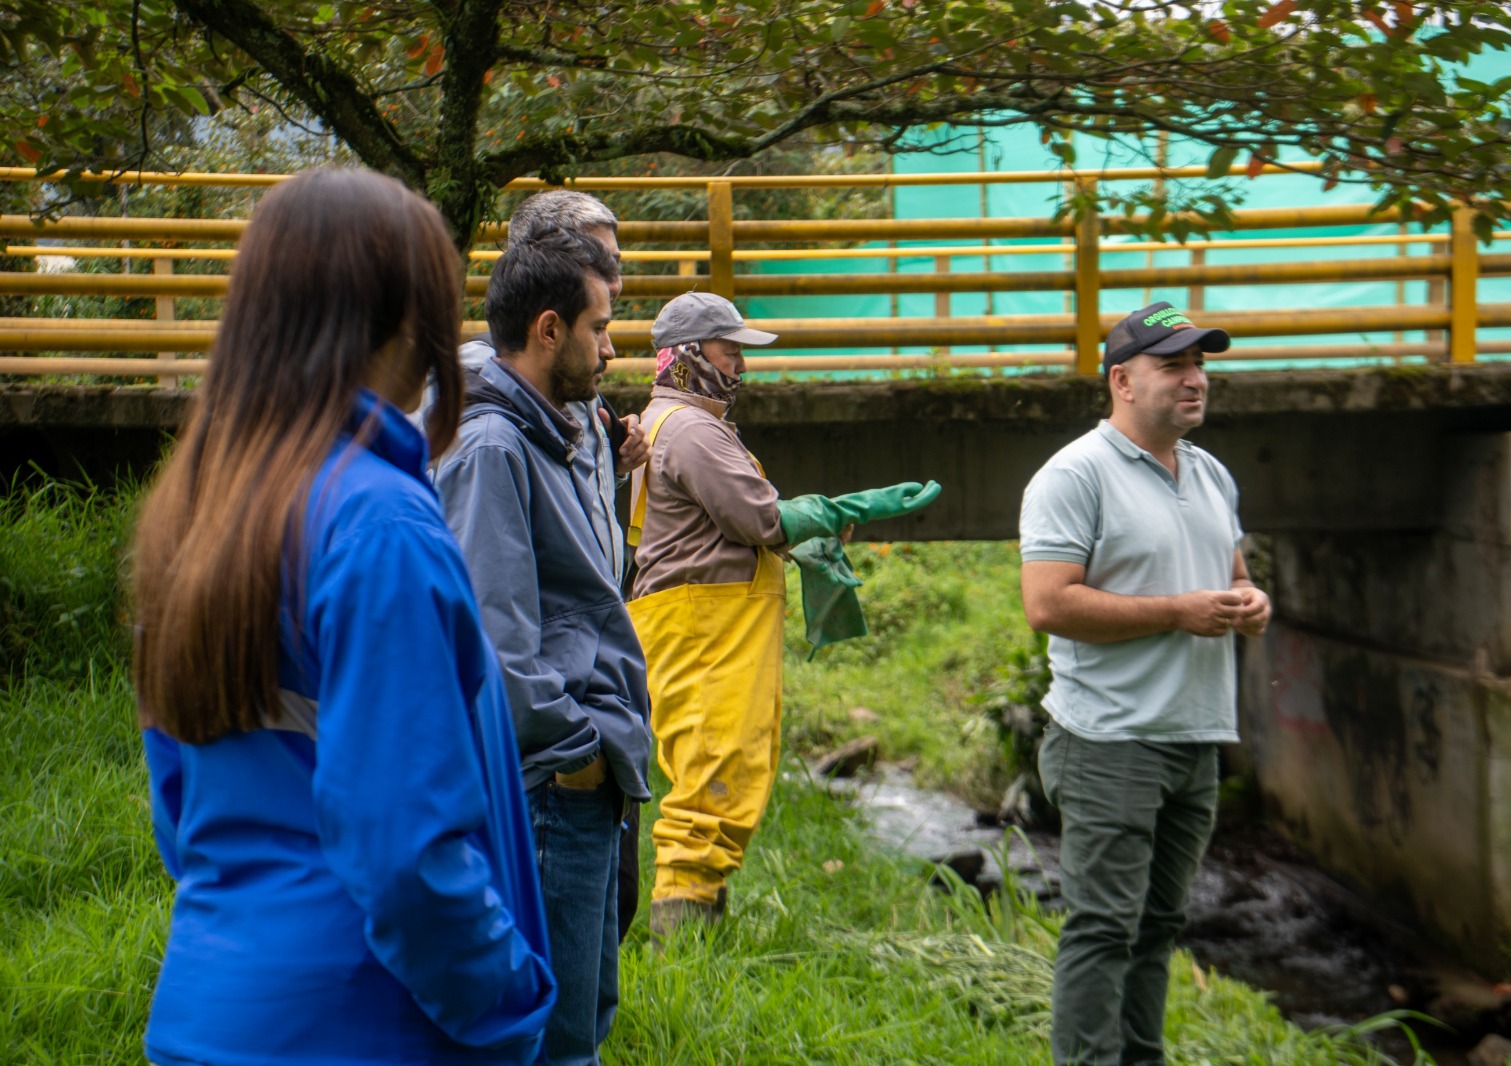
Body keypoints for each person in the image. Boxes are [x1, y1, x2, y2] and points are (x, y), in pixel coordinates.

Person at [132, 168, 556, 1066]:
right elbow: (408, 856)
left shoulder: (196, 511)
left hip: (209, 1011)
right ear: (405, 313)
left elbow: (182, 811)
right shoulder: (379, 519)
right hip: (369, 1024)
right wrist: (508, 996)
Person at [627, 291, 939, 938]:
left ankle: (700, 933)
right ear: (686, 355)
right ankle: (680, 947)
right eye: (729, 349)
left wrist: (811, 532)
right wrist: (848, 507)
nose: (741, 365)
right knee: (713, 779)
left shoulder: (674, 423)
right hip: (704, 623)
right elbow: (759, 520)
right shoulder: (689, 428)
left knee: (726, 769)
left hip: (705, 619)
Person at [1018, 301, 1272, 1066]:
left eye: (1200, 364)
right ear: (1122, 379)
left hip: (1195, 736)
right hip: (1109, 740)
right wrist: (1178, 613)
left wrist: (1251, 605)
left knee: (1160, 926)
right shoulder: (1074, 474)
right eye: (1175, 366)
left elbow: (1231, 580)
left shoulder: (1211, 472)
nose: (1195, 380)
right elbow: (1048, 603)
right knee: (1103, 929)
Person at [434, 231, 650, 1066]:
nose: (613, 345)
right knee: (554, 1042)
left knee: (585, 1020)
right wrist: (574, 754)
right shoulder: (494, 448)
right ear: (550, 329)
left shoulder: (553, 430)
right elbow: (495, 639)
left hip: (586, 772)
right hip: (554, 783)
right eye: (603, 326)